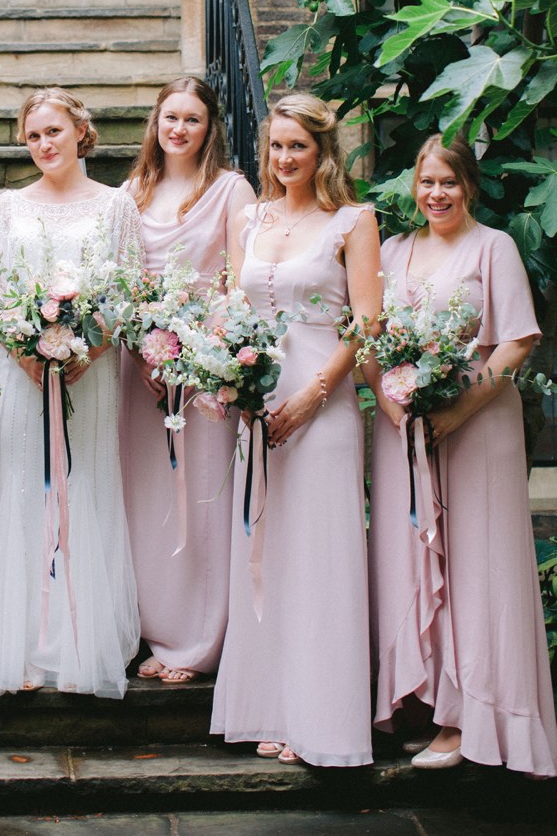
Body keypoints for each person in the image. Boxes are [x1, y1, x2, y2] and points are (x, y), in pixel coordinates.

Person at [368, 135, 557, 777]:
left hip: (477, 424)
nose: (437, 194)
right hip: (408, 431)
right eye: (426, 182)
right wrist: (394, 405)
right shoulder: (393, 252)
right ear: (412, 189)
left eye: (449, 182)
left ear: (469, 186)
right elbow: (368, 340)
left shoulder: (493, 247)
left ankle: (469, 718)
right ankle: (423, 700)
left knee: (478, 564)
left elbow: (516, 341)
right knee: (411, 559)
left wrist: (455, 410)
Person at [211, 92, 379, 767]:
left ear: (322, 151)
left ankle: (321, 718)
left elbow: (367, 323)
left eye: (298, 148)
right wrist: (229, 374)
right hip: (257, 403)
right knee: (266, 554)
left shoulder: (353, 221)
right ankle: (269, 707)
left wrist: (314, 395)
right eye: (276, 147)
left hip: (322, 401)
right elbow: (231, 303)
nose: (284, 160)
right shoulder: (248, 218)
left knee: (320, 558)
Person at [0, 88, 142, 698]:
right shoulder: (6, 208)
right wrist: (24, 352)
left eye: (54, 131)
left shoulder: (117, 206)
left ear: (80, 132)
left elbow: (128, 289)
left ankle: (80, 640)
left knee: (85, 482)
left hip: (90, 374)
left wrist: (86, 352)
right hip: (23, 373)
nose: (44, 144)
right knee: (20, 483)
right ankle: (22, 642)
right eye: (34, 135)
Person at [121, 76, 255, 683]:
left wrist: (197, 353)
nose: (178, 129)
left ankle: (202, 641)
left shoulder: (232, 190)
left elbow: (241, 285)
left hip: (205, 371)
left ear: (210, 129)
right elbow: (118, 283)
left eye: (192, 119)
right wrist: (141, 346)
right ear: (155, 122)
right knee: (146, 499)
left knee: (202, 497)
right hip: (139, 371)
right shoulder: (132, 191)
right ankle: (154, 627)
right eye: (170, 117)